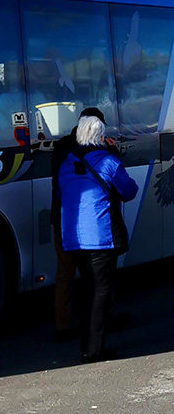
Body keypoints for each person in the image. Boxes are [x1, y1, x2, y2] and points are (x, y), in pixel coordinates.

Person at [58, 114, 138, 363]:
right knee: (100, 291)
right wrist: (115, 155)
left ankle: (88, 343)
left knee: (86, 288)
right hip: (101, 237)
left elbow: (63, 193)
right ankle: (93, 350)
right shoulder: (107, 161)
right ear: (101, 136)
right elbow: (129, 191)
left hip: (73, 236)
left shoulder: (66, 163)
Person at [50, 107, 106, 341]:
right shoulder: (95, 151)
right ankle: (96, 322)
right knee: (95, 274)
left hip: (60, 218)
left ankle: (62, 324)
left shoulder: (61, 148)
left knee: (64, 272)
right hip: (87, 224)